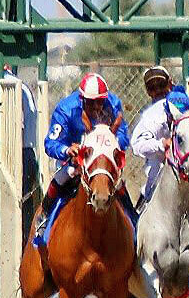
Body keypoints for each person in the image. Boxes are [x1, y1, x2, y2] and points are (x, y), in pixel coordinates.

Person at [35, 72, 134, 239]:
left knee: (118, 184)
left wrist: (111, 143)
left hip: (103, 162)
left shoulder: (114, 103)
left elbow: (124, 135)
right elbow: (50, 144)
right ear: (82, 99)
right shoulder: (66, 109)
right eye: (91, 102)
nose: (96, 107)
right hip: (74, 163)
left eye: (100, 101)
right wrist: (67, 150)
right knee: (63, 176)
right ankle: (44, 216)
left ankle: (133, 220)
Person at [130, 66, 189, 210]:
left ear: (170, 83)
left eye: (161, 85)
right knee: (151, 186)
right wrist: (162, 144)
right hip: (161, 164)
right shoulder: (153, 114)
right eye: (152, 87)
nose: (158, 91)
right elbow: (136, 144)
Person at [0, 50, 40, 232]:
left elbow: (12, 129)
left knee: (21, 213)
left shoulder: (12, 86)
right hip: (10, 154)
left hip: (20, 155)